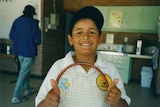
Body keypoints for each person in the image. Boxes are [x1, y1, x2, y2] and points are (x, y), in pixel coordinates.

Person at [35, 6, 131, 107]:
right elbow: (40, 104)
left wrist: (117, 101)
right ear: (70, 39)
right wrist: (47, 103)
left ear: (100, 38)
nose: (85, 36)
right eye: (79, 32)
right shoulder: (59, 66)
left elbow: (124, 105)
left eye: (92, 32)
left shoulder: (110, 69)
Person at [9, 5, 41, 104]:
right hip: (28, 52)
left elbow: (11, 36)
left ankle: (28, 89)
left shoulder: (16, 21)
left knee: (24, 71)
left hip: (18, 51)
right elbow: (37, 40)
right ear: (32, 14)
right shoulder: (33, 23)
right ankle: (16, 96)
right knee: (23, 74)